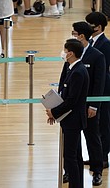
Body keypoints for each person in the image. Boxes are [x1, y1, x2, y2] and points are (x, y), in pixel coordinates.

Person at [65, 22, 106, 186]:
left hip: (88, 106)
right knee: (72, 143)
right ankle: (71, 171)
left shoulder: (97, 56)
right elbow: (64, 76)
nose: (72, 34)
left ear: (81, 35)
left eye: (74, 32)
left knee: (92, 137)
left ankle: (97, 170)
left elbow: (99, 82)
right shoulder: (72, 53)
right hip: (72, 107)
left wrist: (94, 106)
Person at [47, 39, 89, 188]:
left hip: (73, 121)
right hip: (70, 119)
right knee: (75, 156)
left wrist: (54, 111)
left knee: (70, 156)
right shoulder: (72, 69)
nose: (63, 53)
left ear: (70, 53)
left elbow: (72, 100)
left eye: (65, 50)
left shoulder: (78, 72)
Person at [87, 11, 110, 169]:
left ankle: (103, 157)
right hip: (92, 88)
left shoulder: (106, 44)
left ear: (98, 27)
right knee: (93, 125)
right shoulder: (90, 42)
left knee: (104, 123)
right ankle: (95, 156)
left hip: (104, 88)